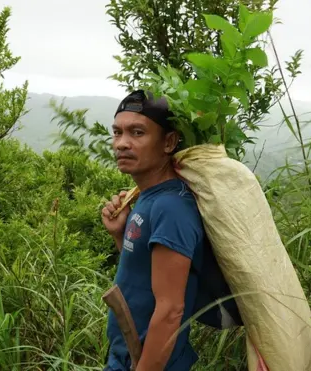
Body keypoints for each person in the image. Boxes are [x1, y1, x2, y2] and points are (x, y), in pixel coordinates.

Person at [101, 89, 207, 371]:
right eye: (117, 132)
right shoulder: (147, 197)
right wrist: (118, 234)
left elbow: (171, 311)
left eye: (137, 133)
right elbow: (146, 272)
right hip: (125, 357)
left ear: (168, 141)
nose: (122, 143)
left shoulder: (171, 207)